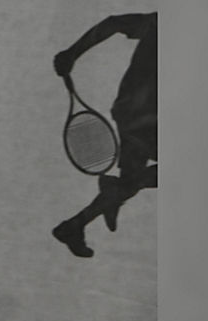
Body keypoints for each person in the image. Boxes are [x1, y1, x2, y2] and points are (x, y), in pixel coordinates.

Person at [50, 12, 158, 258]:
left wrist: (72, 53)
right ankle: (117, 191)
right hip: (148, 120)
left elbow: (114, 23)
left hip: (131, 112)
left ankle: (75, 225)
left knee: (129, 184)